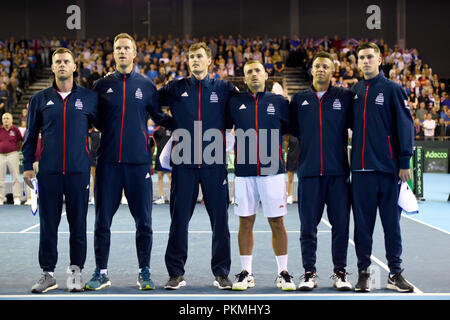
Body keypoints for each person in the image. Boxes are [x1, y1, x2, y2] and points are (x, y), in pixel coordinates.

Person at [84, 33, 172, 291]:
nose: (122, 51)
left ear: (135, 53)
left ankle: (144, 272)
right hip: (108, 164)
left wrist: (184, 122)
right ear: (114, 53)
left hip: (138, 165)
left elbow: (158, 116)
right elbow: (91, 119)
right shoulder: (100, 86)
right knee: (102, 222)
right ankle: (101, 272)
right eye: (118, 48)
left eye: (127, 48)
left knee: (144, 222)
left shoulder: (146, 85)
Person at [159, 42, 237, 290]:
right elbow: (150, 103)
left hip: (214, 163)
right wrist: (171, 123)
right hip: (184, 163)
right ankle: (175, 272)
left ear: (209, 61)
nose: (194, 60)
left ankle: (222, 272)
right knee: (179, 220)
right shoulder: (175, 87)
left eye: (199, 56)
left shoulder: (224, 88)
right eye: (191, 56)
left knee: (220, 222)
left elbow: (240, 112)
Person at [22, 47, 98, 293]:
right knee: (48, 225)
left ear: (75, 66)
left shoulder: (88, 98)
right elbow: (31, 136)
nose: (62, 65)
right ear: (52, 67)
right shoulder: (39, 99)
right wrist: (26, 167)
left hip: (78, 173)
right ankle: (48, 274)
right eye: (58, 62)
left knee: (78, 226)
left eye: (67, 61)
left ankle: (75, 272)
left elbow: (105, 128)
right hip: (49, 174)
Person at [351, 42, 414, 293]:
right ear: (357, 63)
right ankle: (364, 272)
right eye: (361, 57)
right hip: (360, 173)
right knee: (362, 228)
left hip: (388, 172)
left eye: (369, 57)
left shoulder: (392, 89)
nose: (365, 61)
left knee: (392, 227)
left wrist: (404, 161)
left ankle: (395, 273)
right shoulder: (354, 91)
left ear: (379, 59)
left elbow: (405, 126)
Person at [227, 60, 295, 291]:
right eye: (249, 72)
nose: (254, 75)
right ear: (244, 79)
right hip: (244, 172)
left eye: (257, 71)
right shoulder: (235, 103)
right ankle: (246, 273)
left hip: (273, 172)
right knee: (245, 221)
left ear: (266, 75)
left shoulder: (279, 102)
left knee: (277, 221)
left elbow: (287, 130)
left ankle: (283, 273)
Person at [290, 51, 353, 291]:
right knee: (308, 228)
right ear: (311, 70)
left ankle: (340, 272)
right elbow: (293, 130)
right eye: (317, 66)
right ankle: (309, 272)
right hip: (308, 175)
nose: (321, 70)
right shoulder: (299, 100)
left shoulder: (344, 97)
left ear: (332, 70)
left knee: (341, 227)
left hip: (338, 175)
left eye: (326, 66)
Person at [0, 112, 23, 205]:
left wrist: (16, 151)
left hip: (13, 154)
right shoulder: (0, 129)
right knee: (0, 178)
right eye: (4, 118)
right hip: (1, 155)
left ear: (12, 120)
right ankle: (1, 198)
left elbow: (20, 142)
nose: (6, 120)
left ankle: (16, 197)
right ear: (2, 120)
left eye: (8, 118)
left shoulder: (15, 129)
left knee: (16, 177)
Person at [153, 109, 172, 204]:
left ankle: (172, 196)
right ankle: (161, 196)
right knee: (160, 175)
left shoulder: (172, 128)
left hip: (169, 156)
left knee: (170, 176)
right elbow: (155, 143)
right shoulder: (157, 130)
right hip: (159, 155)